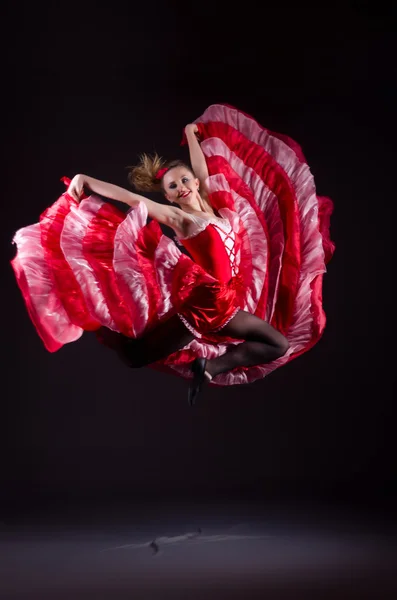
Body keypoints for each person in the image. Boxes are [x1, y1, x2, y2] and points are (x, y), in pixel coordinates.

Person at [11, 104, 335, 403]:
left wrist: (192, 134)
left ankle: (209, 368)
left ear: (194, 183)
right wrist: (85, 180)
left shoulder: (217, 206)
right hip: (203, 306)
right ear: (169, 196)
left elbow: (201, 168)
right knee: (136, 357)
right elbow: (131, 198)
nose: (181, 188)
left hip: (227, 303)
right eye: (172, 188)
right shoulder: (182, 219)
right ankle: (107, 320)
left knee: (277, 344)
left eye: (184, 181)